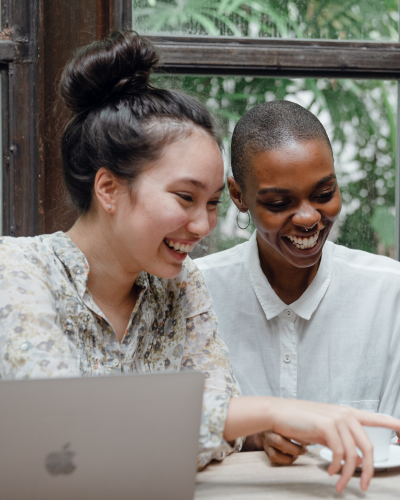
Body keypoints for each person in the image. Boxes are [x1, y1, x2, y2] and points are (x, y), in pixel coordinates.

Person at [0, 33, 399, 494]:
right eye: (185, 197)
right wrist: (267, 413)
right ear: (108, 189)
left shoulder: (179, 285)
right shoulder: (18, 271)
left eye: (210, 204)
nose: (202, 225)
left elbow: (219, 426)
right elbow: (61, 434)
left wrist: (237, 427)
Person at [195, 100, 400, 468]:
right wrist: (253, 433)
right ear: (238, 195)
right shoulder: (197, 293)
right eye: (278, 202)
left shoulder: (389, 293)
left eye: (324, 195)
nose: (308, 217)